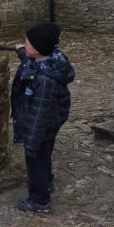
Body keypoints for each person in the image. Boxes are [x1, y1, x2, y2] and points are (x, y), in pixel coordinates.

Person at [11, 22, 75, 213]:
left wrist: (30, 142)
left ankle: (39, 201)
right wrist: (23, 51)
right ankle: (46, 182)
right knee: (44, 154)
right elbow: (32, 62)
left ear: (38, 49)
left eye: (27, 43)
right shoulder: (48, 60)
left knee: (36, 159)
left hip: (39, 126)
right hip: (49, 124)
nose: (24, 45)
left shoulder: (45, 81)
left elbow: (39, 114)